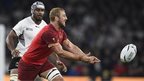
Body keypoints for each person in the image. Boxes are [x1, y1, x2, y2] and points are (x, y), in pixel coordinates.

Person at [18, 7, 101, 81]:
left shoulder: (60, 32)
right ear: (56, 18)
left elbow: (70, 46)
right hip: (28, 65)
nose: (66, 18)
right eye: (64, 16)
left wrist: (85, 56)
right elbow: (61, 52)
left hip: (42, 63)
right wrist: (81, 58)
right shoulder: (48, 32)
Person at [6, 1, 66, 81]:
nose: (40, 12)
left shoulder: (45, 27)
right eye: (37, 10)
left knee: (59, 79)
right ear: (32, 11)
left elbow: (51, 47)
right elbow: (9, 37)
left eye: (42, 10)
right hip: (21, 58)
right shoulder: (24, 23)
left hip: (38, 60)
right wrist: (12, 50)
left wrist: (57, 59)